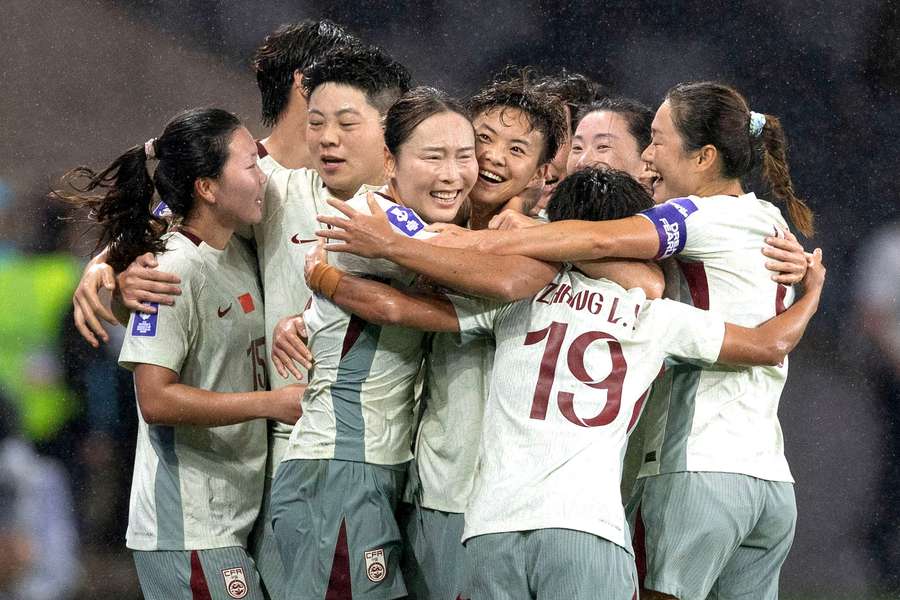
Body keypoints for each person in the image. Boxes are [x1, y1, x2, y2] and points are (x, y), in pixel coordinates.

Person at [306, 167, 826, 599]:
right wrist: (811, 293)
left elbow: (396, 308)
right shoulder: (655, 315)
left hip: (492, 530)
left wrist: (322, 278)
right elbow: (768, 345)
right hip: (587, 530)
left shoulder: (516, 298)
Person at [416, 81, 814, 600]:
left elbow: (602, 239)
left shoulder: (693, 218)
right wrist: (813, 294)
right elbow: (762, 343)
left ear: (704, 157)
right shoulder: (768, 220)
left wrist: (488, 239)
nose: (649, 157)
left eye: (657, 141)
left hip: (690, 464)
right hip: (767, 477)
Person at [57, 107, 302, 600]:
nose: (263, 176)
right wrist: (271, 403)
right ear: (207, 188)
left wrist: (107, 260)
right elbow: (155, 399)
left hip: (233, 514)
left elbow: (157, 217)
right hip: (187, 525)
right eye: (249, 165)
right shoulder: (167, 273)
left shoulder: (234, 248)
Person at [268, 86, 481, 600]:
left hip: (365, 462)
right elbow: (496, 275)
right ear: (390, 161)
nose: (452, 174)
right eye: (433, 157)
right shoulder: (379, 222)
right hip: (342, 463)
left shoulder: (396, 219)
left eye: (464, 156)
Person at [855, 220, 900, 592]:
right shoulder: (890, 247)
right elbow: (873, 316)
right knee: (895, 466)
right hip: (895, 378)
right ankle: (882, 552)